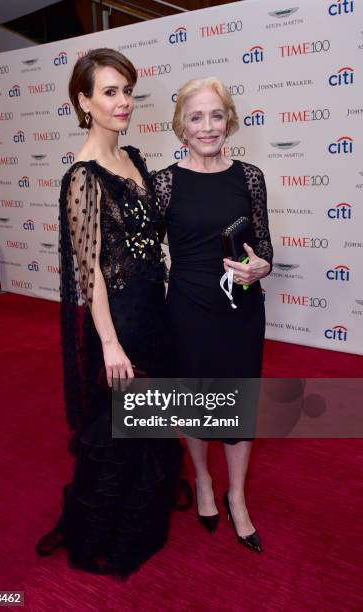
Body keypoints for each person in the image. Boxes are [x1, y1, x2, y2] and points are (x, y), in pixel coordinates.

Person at [35, 48, 184, 578]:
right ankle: (106, 532)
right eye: (109, 92)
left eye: (127, 90)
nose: (123, 102)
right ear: (84, 101)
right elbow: (90, 270)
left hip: (155, 308)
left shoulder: (134, 159)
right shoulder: (83, 177)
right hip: (121, 319)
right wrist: (110, 344)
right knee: (122, 425)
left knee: (149, 417)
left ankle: (141, 515)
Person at [153, 77, 273, 553]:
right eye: (196, 117)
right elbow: (143, 256)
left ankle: (236, 496)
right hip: (187, 312)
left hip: (243, 312)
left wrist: (262, 266)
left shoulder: (250, 177)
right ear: (181, 125)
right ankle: (203, 479)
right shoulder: (163, 183)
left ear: (230, 120)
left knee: (239, 407)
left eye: (216, 115)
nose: (208, 127)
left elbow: (261, 244)